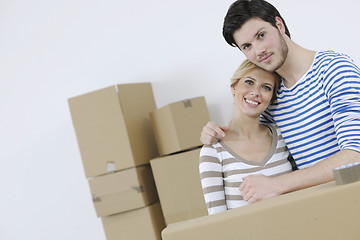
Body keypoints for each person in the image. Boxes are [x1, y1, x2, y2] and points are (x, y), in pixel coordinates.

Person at [200, 0, 360, 204]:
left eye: (261, 35)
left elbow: (356, 155)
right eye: (247, 46)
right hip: (322, 213)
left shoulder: (334, 70)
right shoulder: (271, 96)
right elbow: (256, 139)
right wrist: (215, 132)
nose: (258, 51)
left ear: (279, 25)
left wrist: (277, 185)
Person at [199, 59, 297, 215]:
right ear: (234, 87)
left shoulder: (282, 137)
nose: (256, 92)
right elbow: (217, 220)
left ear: (271, 97)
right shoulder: (213, 151)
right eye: (249, 82)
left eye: (266, 87)